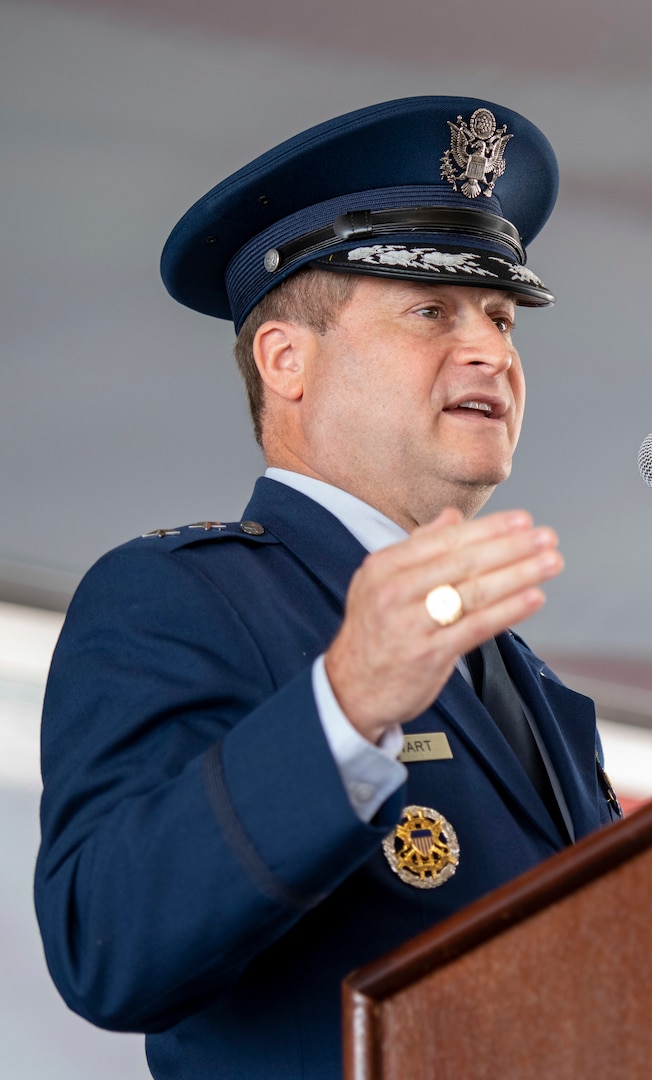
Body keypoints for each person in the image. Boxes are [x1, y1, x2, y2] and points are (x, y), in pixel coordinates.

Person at [33, 96, 620, 1079]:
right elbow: (108, 945)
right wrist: (343, 705)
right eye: (431, 310)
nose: (491, 352)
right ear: (286, 360)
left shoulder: (528, 682)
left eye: (503, 318)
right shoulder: (176, 602)